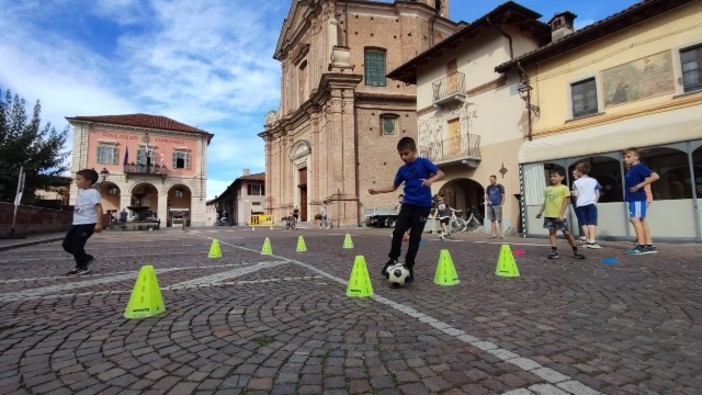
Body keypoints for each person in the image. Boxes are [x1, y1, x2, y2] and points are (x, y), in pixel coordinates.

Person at [369, 136, 445, 283]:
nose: (403, 157)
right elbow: (393, 187)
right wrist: (377, 190)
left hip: (423, 206)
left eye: (406, 153)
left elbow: (441, 173)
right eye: (401, 155)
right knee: (397, 231)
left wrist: (431, 180)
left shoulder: (424, 163)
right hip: (408, 205)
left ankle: (409, 266)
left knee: (415, 238)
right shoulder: (402, 170)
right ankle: (393, 258)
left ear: (414, 151)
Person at [535, 169, 586, 260]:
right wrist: (540, 212)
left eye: (555, 176)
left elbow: (566, 201)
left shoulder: (564, 188)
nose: (552, 178)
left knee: (566, 233)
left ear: (562, 177)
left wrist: (561, 214)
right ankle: (554, 251)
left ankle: (576, 251)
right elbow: (546, 201)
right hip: (549, 215)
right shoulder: (547, 189)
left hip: (558, 215)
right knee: (552, 232)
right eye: (551, 177)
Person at [63, 169, 103, 275]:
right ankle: (86, 258)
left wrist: (99, 223)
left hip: (88, 223)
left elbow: (99, 208)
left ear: (88, 181)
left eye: (79, 179)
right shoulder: (82, 192)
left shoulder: (93, 192)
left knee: (77, 245)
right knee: (66, 244)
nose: (76, 181)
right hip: (77, 223)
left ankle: (82, 267)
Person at [623, 147, 660, 255]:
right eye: (624, 157)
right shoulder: (632, 169)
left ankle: (641, 246)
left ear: (636, 157)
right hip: (634, 199)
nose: (625, 159)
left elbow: (655, 176)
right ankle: (649, 245)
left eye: (628, 157)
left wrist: (639, 185)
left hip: (637, 198)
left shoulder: (639, 167)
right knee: (641, 220)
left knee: (635, 219)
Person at [571, 162, 602, 249]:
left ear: (580, 172)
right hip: (591, 203)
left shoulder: (575, 182)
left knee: (583, 223)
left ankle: (588, 241)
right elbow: (597, 193)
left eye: (576, 171)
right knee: (592, 222)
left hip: (580, 204)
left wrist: (576, 198)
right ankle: (592, 241)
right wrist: (594, 201)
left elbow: (576, 194)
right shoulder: (594, 181)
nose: (575, 173)